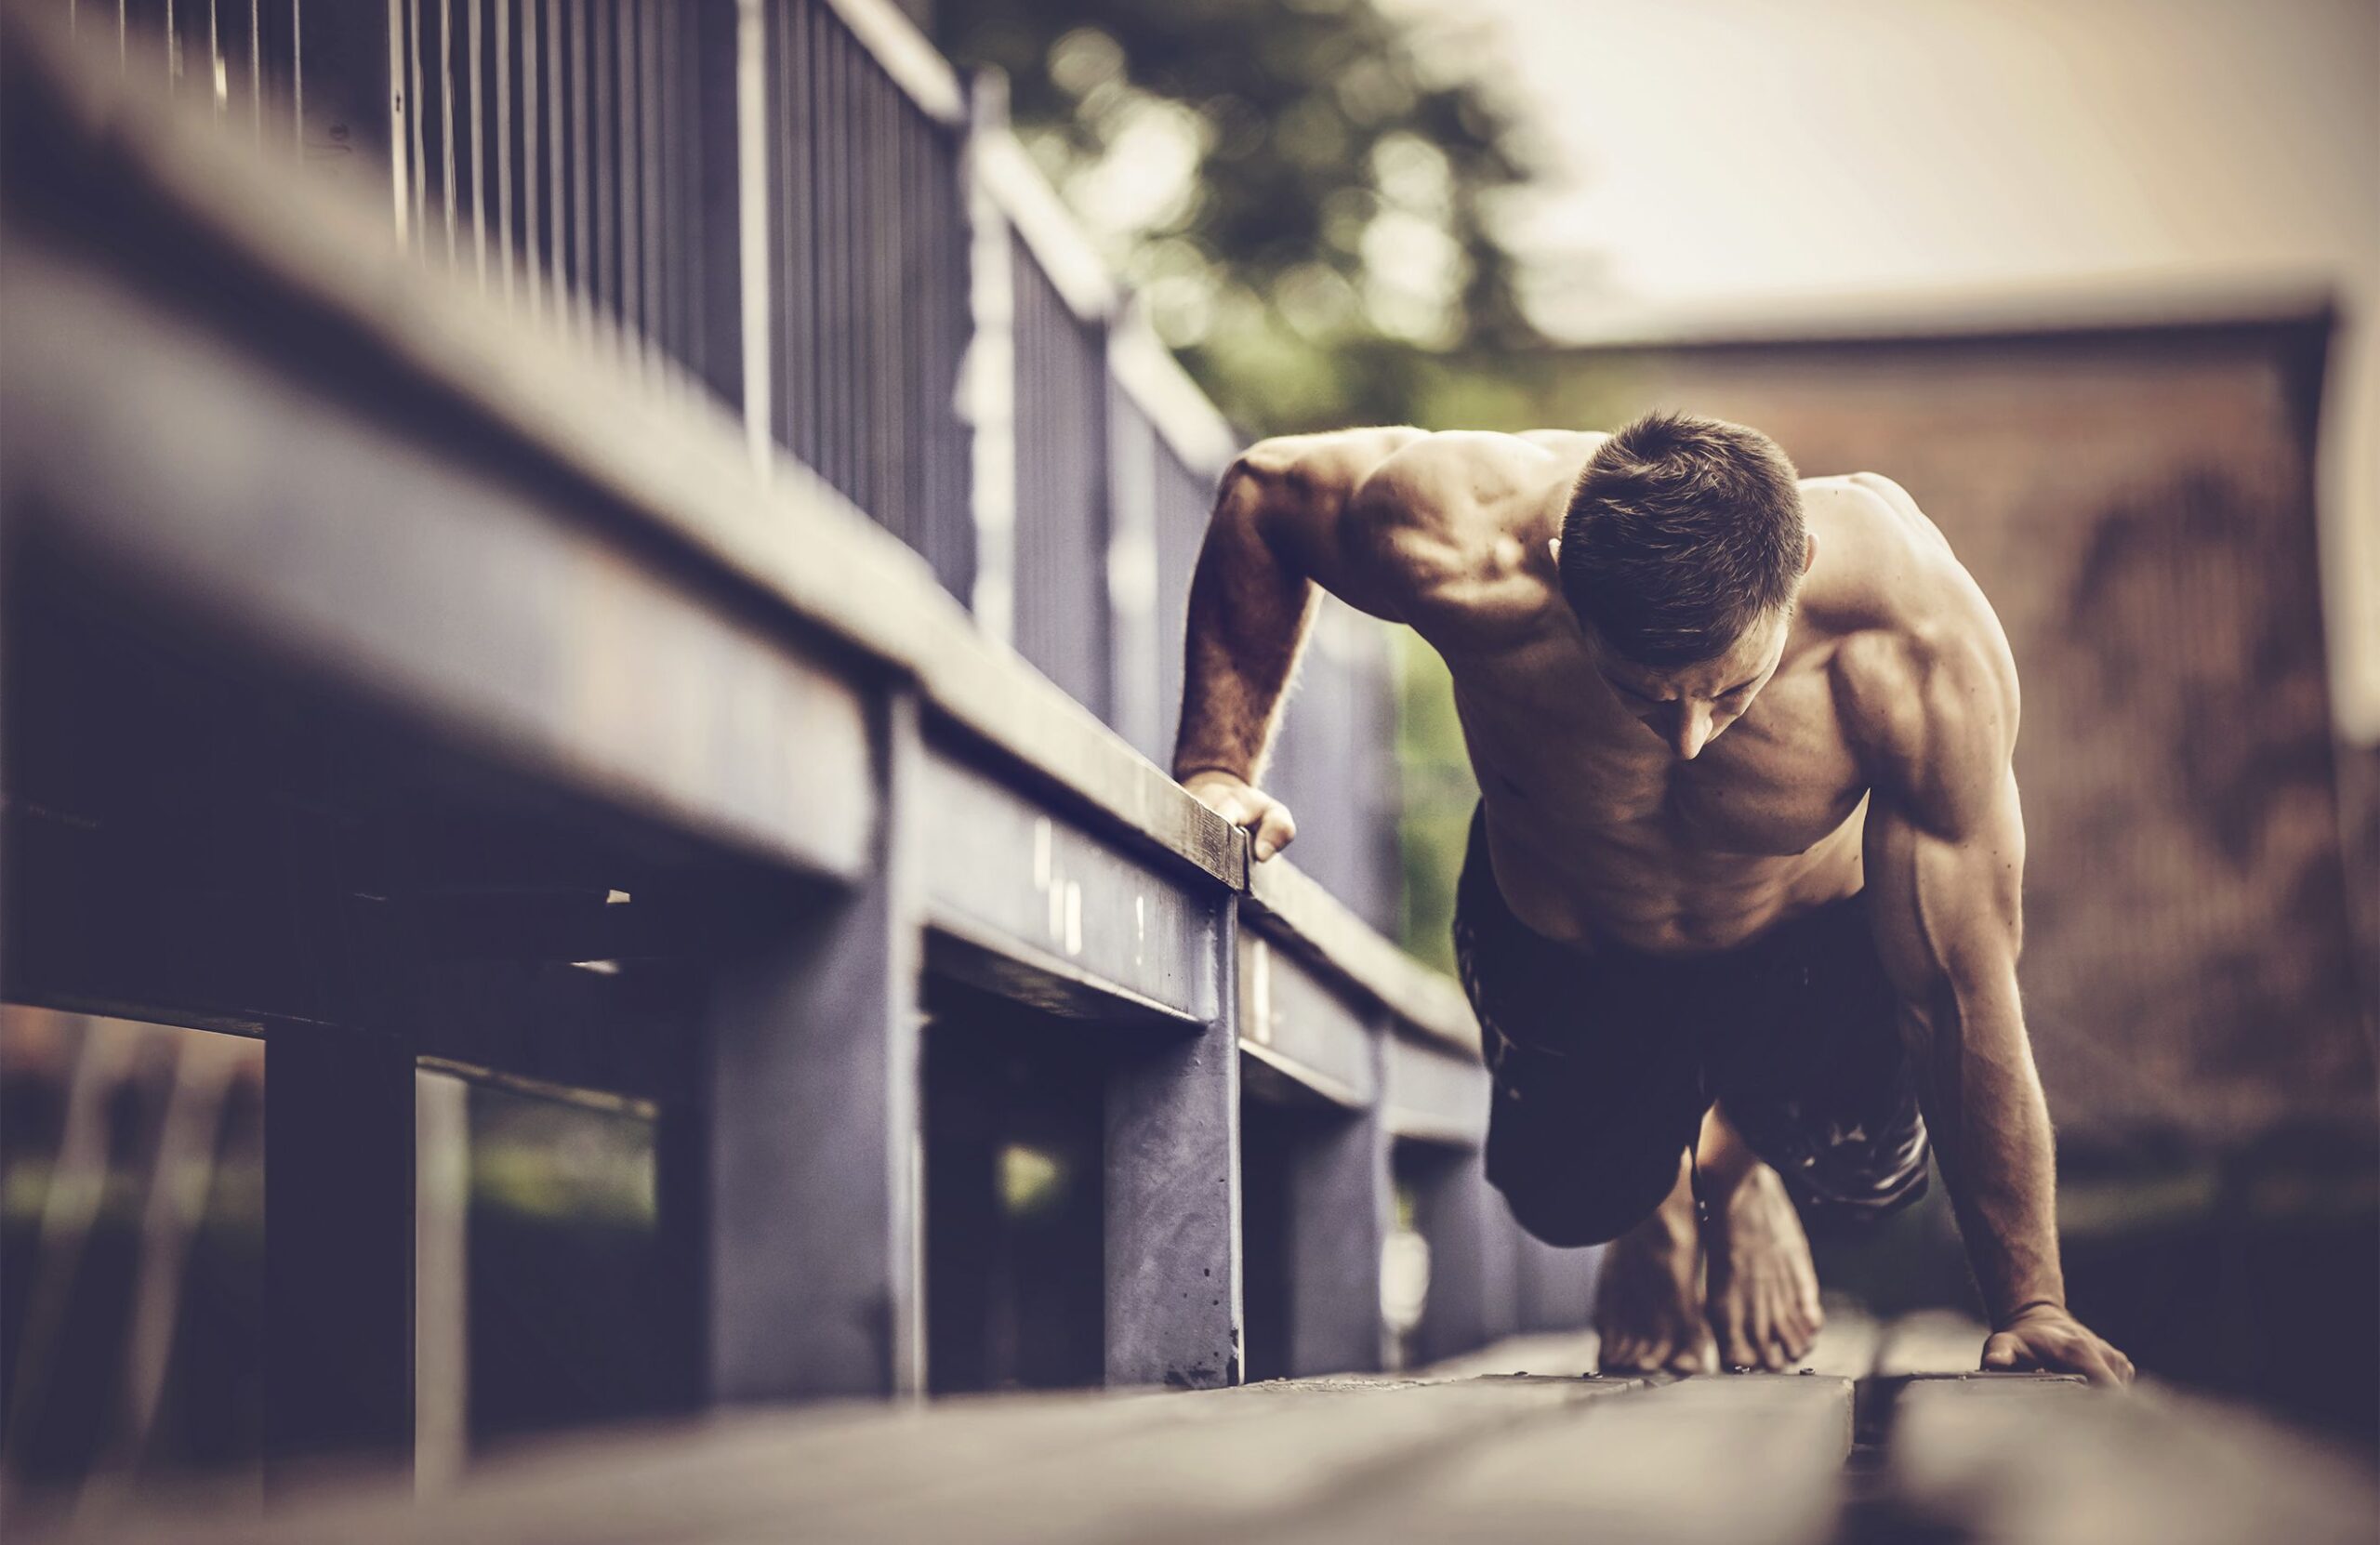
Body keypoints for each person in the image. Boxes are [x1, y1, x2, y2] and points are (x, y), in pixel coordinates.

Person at [1172, 411, 2133, 1384]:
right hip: (1571, 940)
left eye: (1727, 692)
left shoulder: (1909, 632)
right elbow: (1263, 495)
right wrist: (1216, 769)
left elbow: (1958, 991)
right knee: (1564, 1204)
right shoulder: (1462, 535)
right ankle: (1661, 1186)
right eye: (1644, 694)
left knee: (1869, 1181)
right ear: (1558, 569)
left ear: (1794, 565)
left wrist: (2033, 1303)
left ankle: (1727, 1160)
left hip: (1799, 955)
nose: (1687, 738)